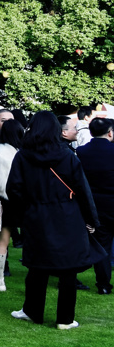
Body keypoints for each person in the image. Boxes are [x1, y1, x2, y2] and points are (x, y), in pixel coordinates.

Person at [8, 110, 101, 330]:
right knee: (67, 268)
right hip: (66, 214)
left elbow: (14, 189)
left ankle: (33, 311)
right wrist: (91, 219)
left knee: (37, 265)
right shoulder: (66, 155)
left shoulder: (23, 156)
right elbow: (83, 189)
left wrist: (25, 213)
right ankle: (64, 319)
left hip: (38, 214)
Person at [76, 117, 113, 294]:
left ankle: (103, 284)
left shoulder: (82, 151)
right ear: (110, 133)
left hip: (96, 204)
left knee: (102, 245)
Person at [0, 119, 23, 292]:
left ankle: (0, 280)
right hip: (25, 200)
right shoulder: (25, 152)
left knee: (2, 240)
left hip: (6, 200)